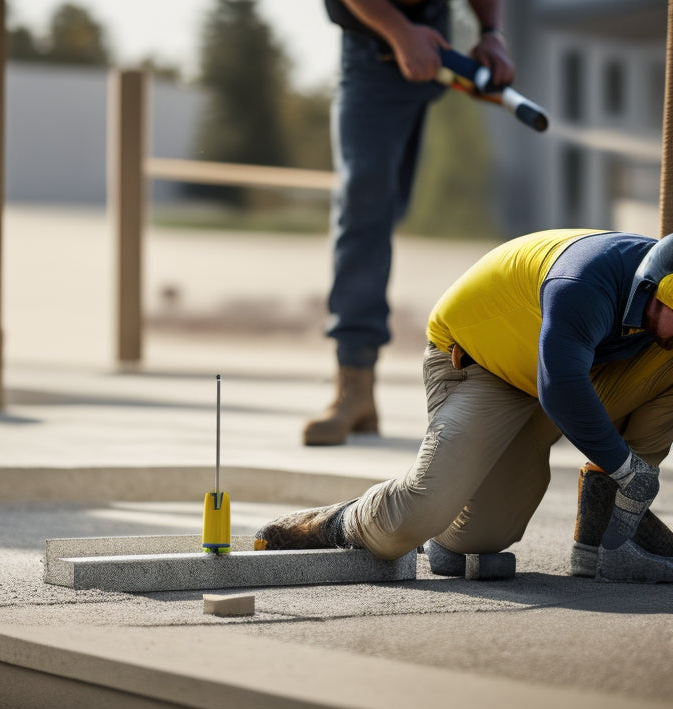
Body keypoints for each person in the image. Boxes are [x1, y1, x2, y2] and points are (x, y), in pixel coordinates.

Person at [258, 229, 673, 582]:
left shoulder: (655, 301)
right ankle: (340, 520)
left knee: (482, 537)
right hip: (480, 366)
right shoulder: (582, 284)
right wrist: (626, 466)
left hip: (551, 375)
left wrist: (624, 475)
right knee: (417, 516)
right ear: (652, 289)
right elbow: (562, 387)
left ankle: (612, 530)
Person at [304, 0, 515, 446]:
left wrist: (490, 32)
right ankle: (355, 387)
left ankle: (360, 389)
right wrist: (398, 30)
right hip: (373, 46)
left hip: (432, 41)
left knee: (383, 209)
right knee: (364, 207)